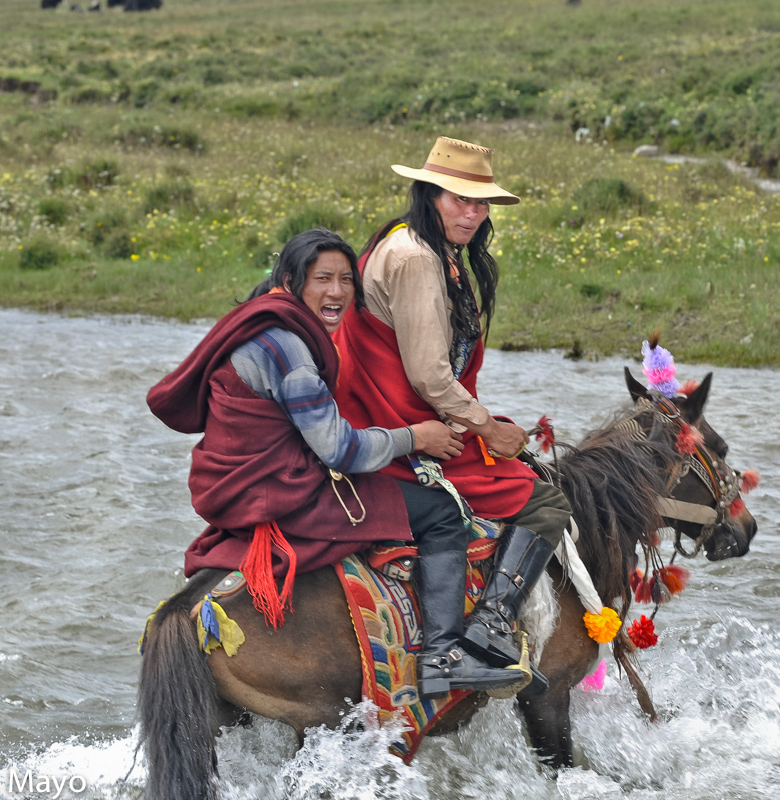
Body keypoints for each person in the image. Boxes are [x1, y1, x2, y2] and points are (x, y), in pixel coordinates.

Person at [147, 228, 528, 697]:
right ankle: (443, 658)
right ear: (291, 281)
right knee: (441, 513)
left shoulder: (260, 322)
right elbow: (338, 450)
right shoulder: (289, 350)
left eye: (347, 280)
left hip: (240, 483)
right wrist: (416, 437)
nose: (337, 292)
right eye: (322, 278)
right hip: (281, 489)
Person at [334, 138, 573, 694]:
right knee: (545, 500)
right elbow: (429, 377)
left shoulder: (414, 244)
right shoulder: (418, 258)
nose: (471, 213)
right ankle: (486, 633)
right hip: (405, 425)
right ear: (430, 194)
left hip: (392, 413)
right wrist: (487, 428)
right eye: (458, 199)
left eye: (480, 203)